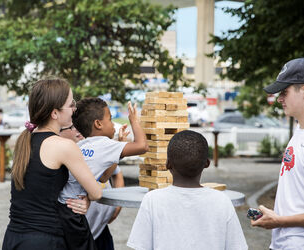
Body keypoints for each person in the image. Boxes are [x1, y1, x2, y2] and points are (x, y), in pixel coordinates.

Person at [2, 78, 102, 250]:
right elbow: (96, 192)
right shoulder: (64, 146)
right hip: (44, 239)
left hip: (14, 237)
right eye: (71, 104)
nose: (74, 109)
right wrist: (85, 199)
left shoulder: (24, 141)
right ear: (55, 113)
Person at [127, 130, 248, 250]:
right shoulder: (222, 201)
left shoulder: (152, 200)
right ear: (206, 163)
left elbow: (141, 245)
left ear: (168, 164)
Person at [58, 97, 148, 250]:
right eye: (110, 119)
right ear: (98, 124)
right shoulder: (104, 144)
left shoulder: (82, 145)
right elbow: (142, 146)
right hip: (74, 213)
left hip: (63, 210)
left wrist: (118, 148)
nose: (113, 124)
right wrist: (134, 120)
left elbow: (104, 176)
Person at [251, 58, 304, 249]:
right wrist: (277, 217)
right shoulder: (299, 131)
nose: (279, 99)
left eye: (284, 92)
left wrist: (280, 220)